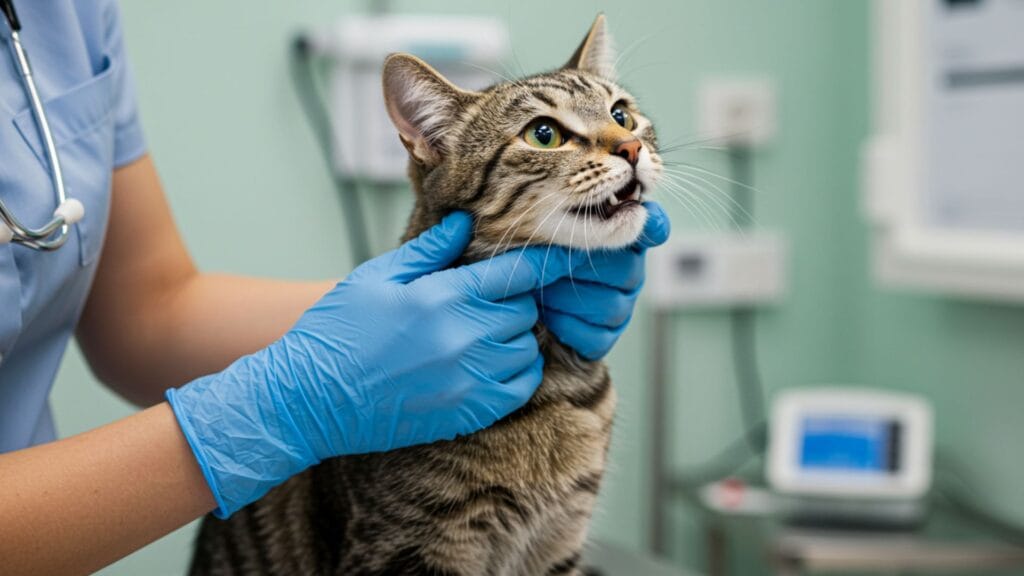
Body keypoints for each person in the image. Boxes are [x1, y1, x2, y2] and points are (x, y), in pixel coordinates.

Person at [0, 2, 670, 574]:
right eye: (549, 134)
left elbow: (148, 310)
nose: (622, 146)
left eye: (622, 116)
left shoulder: (73, 14)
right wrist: (284, 407)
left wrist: (407, 322)